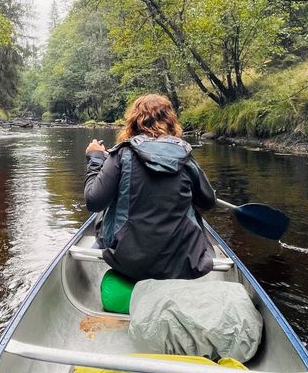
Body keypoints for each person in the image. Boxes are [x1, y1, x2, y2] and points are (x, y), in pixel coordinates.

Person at [84, 94, 217, 281]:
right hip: (181, 264)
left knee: (105, 206)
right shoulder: (185, 156)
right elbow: (207, 202)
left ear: (134, 121)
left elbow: (93, 202)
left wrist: (96, 160)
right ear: (170, 121)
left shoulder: (121, 154)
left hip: (128, 263)